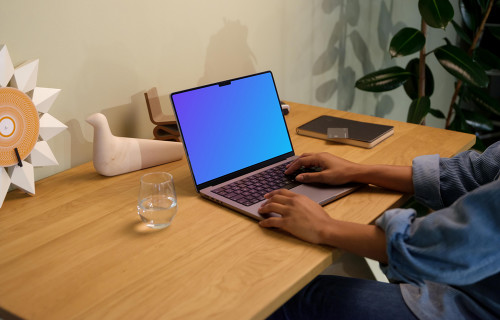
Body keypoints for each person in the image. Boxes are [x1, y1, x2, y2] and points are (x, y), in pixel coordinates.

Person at [258, 141, 500, 320]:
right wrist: (356, 171)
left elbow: (447, 249)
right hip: (475, 286)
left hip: (472, 307)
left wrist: (324, 227)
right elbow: (473, 173)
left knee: (287, 300)